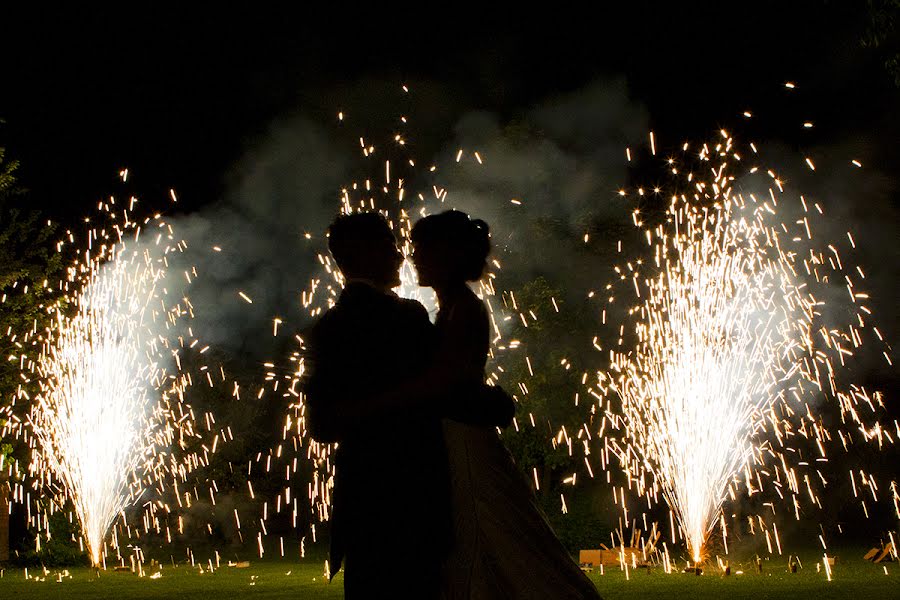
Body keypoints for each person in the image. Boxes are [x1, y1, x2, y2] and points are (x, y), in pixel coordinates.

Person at [304, 212, 513, 599]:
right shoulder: (406, 318)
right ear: (367, 254)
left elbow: (321, 426)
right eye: (389, 246)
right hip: (416, 494)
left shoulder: (327, 327)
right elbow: (445, 392)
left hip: (363, 499)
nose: (402, 255)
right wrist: (498, 406)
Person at [410, 210, 602, 600]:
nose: (415, 257)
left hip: (462, 440)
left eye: (423, 249)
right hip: (458, 436)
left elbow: (446, 384)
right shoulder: (454, 307)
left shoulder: (464, 309)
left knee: (486, 533)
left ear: (446, 256)